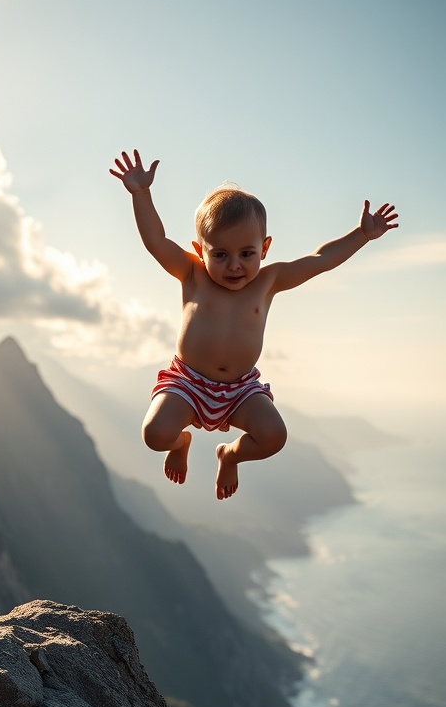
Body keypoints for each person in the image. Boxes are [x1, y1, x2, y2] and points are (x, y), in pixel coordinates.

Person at [110, 149, 398, 499]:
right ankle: (180, 443)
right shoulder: (191, 273)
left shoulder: (269, 280)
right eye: (220, 254)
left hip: (240, 389)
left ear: (264, 248)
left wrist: (361, 235)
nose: (234, 265)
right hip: (188, 383)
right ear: (200, 251)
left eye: (246, 254)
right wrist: (141, 195)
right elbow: (156, 241)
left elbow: (321, 260)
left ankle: (229, 455)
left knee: (274, 436)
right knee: (154, 434)